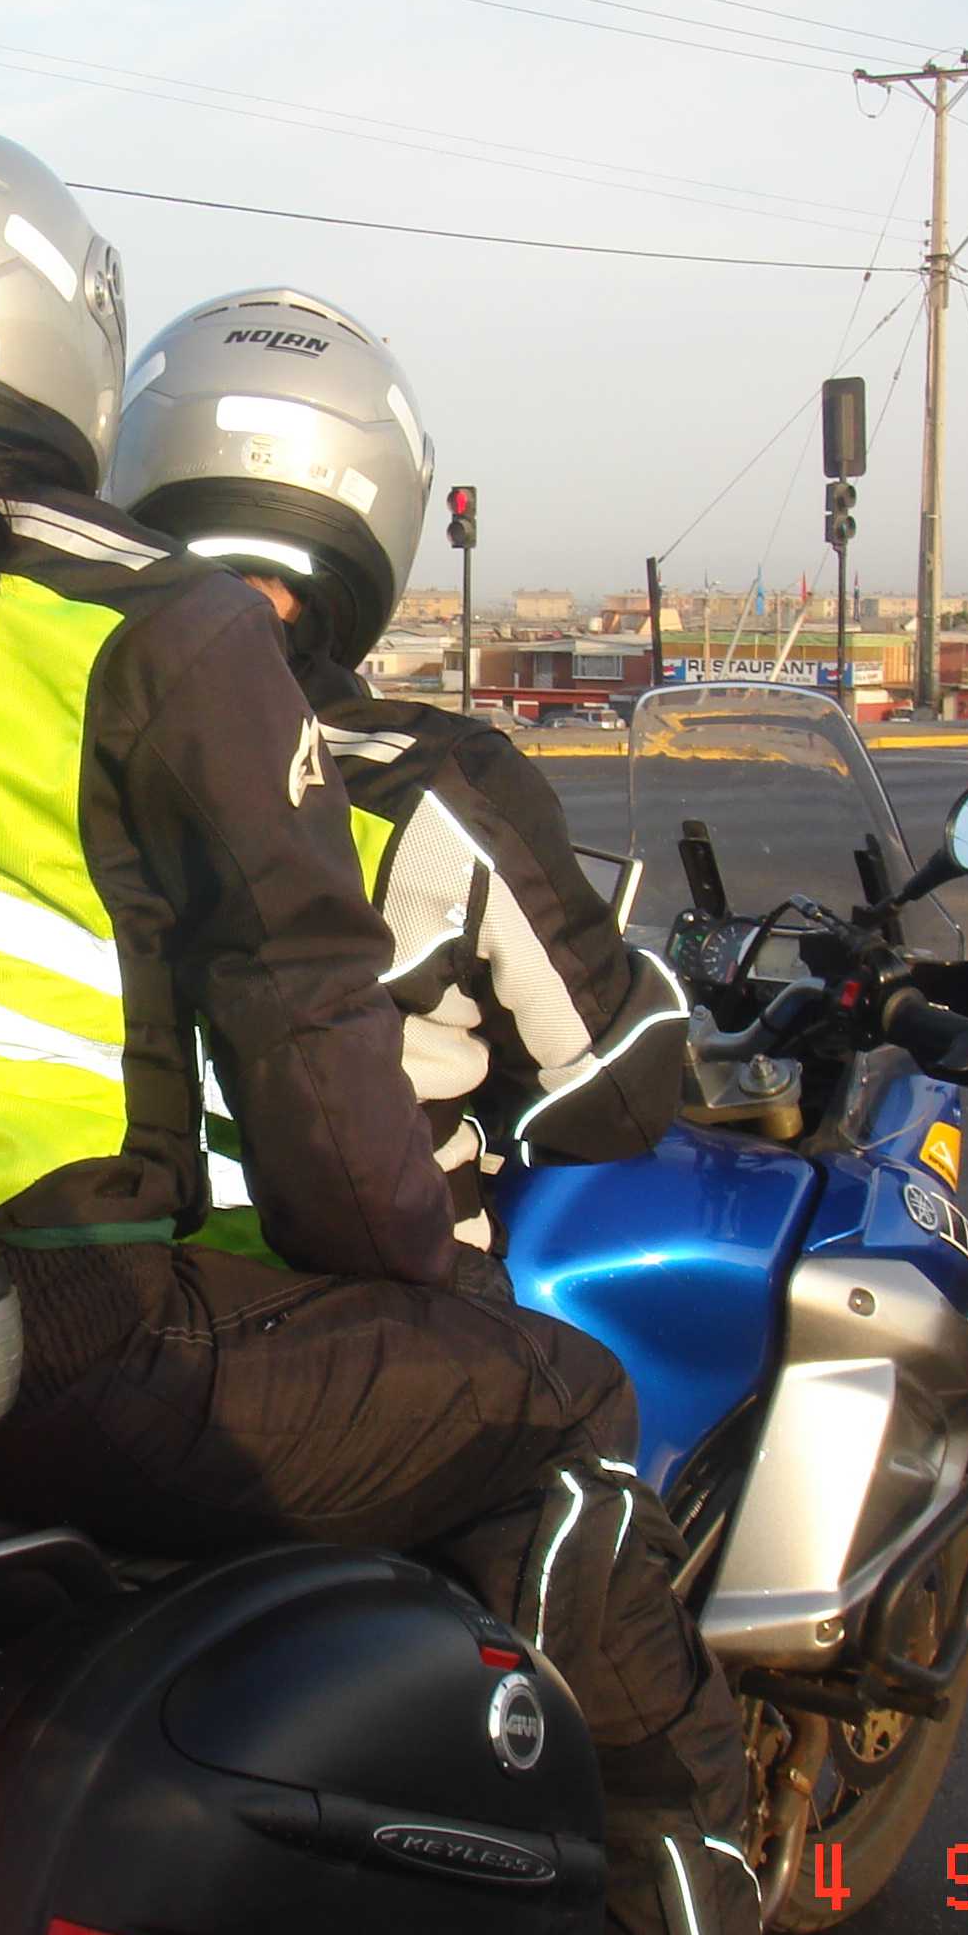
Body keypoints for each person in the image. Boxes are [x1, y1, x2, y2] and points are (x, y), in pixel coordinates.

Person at [0, 123, 770, 1935]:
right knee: (556, 1404)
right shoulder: (144, 621)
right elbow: (308, 1045)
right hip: (65, 1341)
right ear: (54, 342)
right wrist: (411, 1293)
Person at [102, 286, 687, 1257]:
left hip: (103, 1292)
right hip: (375, 1317)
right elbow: (606, 1092)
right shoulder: (438, 786)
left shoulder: (49, 737)